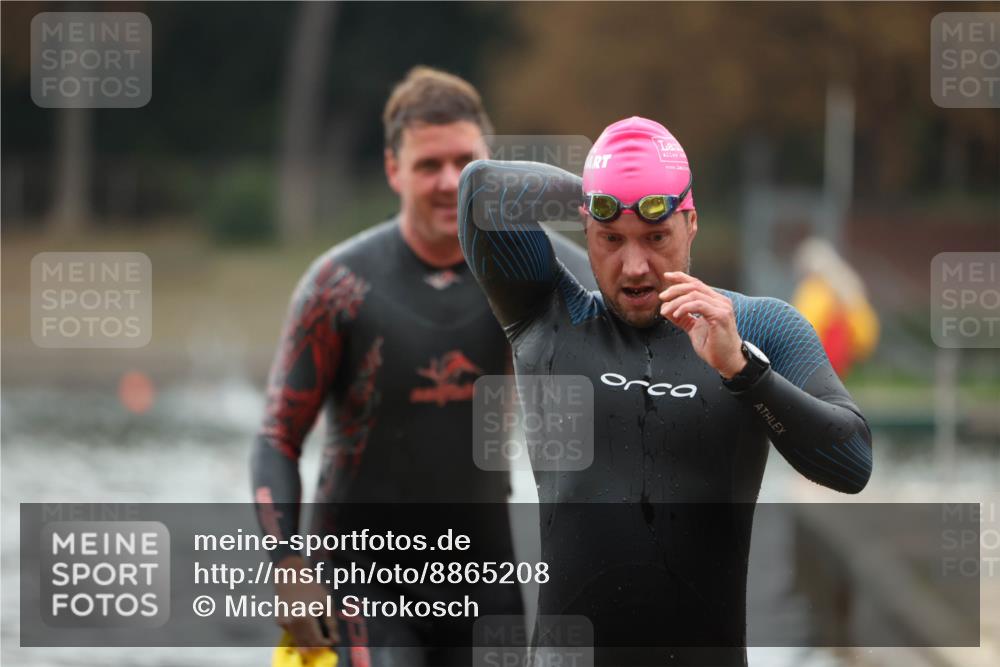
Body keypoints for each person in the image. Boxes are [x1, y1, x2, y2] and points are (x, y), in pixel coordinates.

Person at [458, 116, 873, 666]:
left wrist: (744, 371)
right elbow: (482, 189)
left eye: (656, 237)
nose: (635, 266)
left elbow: (851, 463)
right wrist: (601, 186)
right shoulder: (548, 316)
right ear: (586, 226)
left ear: (691, 221)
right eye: (611, 239)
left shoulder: (762, 328)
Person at [250, 67, 595, 666]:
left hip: (487, 579)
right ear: (392, 170)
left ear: (489, 164)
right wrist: (286, 564)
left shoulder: (547, 273)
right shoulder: (340, 286)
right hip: (360, 580)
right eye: (427, 165)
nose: (449, 182)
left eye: (465, 162)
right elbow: (278, 436)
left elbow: (630, 375)